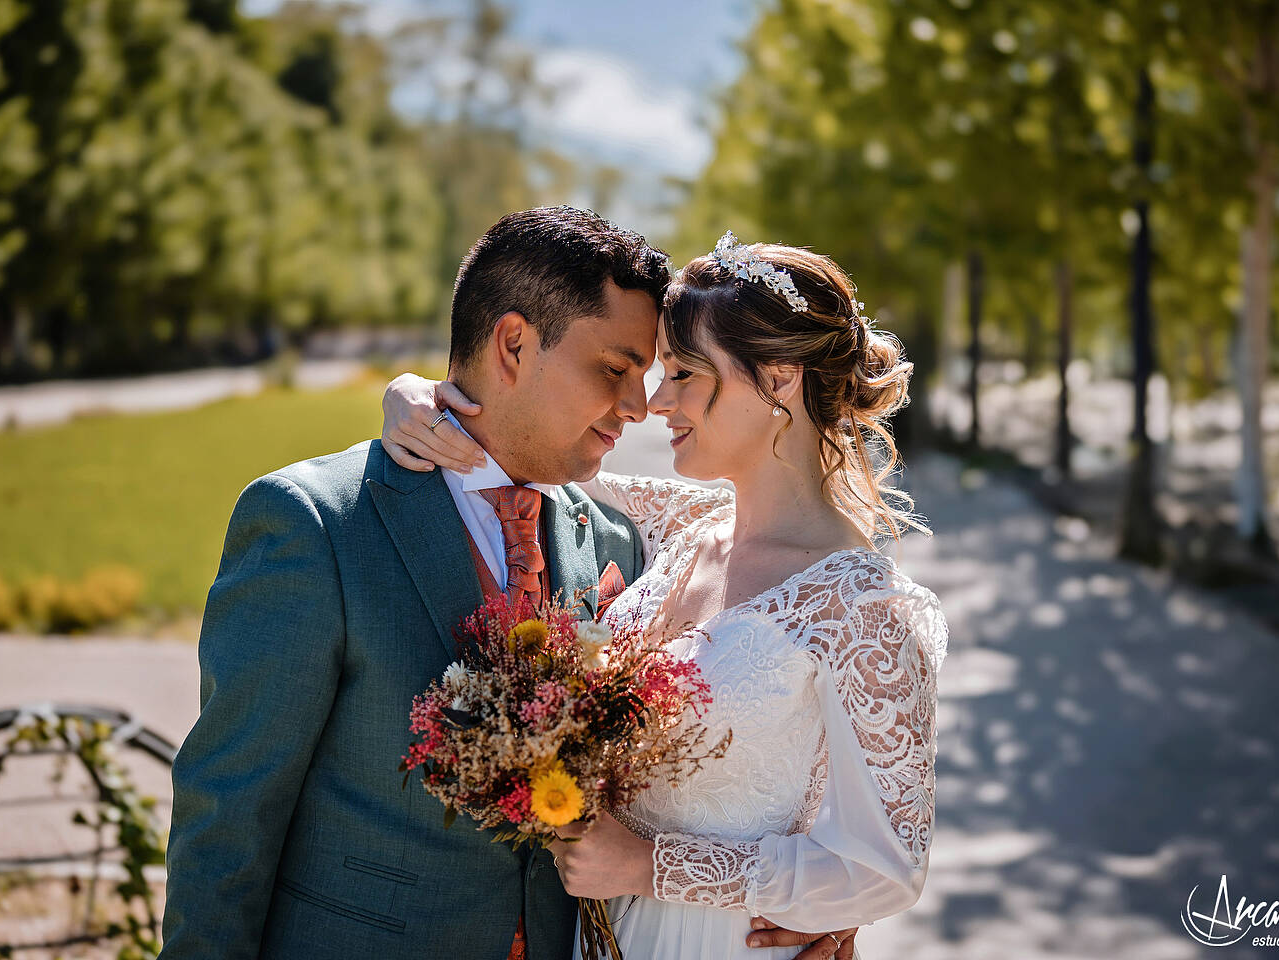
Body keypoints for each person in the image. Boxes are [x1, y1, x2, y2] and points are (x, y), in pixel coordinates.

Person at [161, 207, 856, 960]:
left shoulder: (621, 538)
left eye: (649, 376)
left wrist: (817, 901)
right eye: (615, 369)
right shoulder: (316, 525)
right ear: (514, 344)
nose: (637, 407)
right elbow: (228, 813)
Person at [382, 231, 948, 959]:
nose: (654, 402)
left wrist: (651, 868)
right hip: (600, 937)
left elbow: (887, 868)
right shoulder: (683, 524)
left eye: (683, 373)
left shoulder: (864, 609)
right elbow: (523, 444)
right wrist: (416, 397)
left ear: (779, 379)